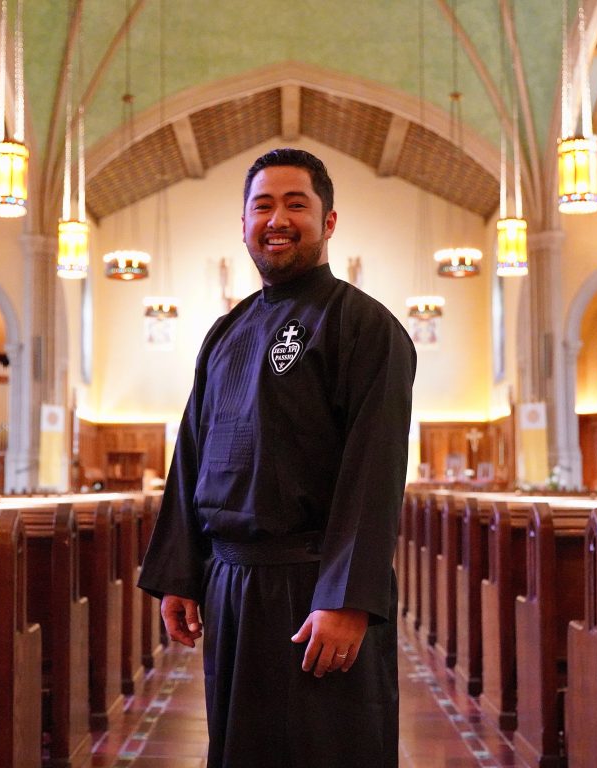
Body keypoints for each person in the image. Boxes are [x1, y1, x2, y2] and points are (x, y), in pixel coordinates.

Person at [138, 147, 416, 767]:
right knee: (241, 752)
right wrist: (181, 576)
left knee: (328, 752)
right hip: (232, 587)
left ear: (330, 221)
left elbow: (373, 473)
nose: (278, 219)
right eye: (262, 205)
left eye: (297, 203)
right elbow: (191, 456)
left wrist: (345, 599)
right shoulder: (225, 332)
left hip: (316, 589)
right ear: (243, 224)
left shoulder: (364, 326)